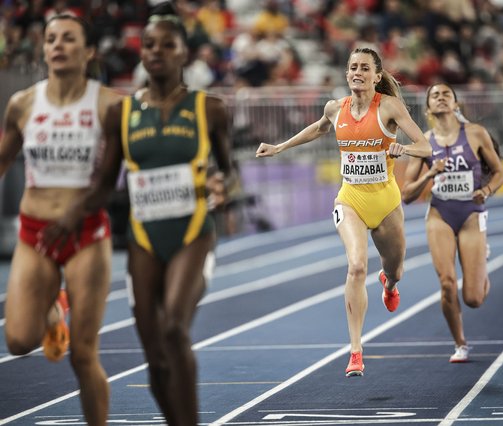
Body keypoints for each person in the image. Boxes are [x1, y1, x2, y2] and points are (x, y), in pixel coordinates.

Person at [43, 3, 235, 424]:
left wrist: (224, 188)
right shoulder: (122, 113)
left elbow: (231, 173)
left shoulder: (210, 109)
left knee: (174, 331)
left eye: (168, 45)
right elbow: (102, 185)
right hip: (144, 238)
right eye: (149, 45)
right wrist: (68, 219)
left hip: (193, 232)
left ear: (185, 52)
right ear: (141, 53)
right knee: (155, 364)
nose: (157, 52)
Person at [256, 47, 431, 377]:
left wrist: (402, 148)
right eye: (353, 67)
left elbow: (425, 146)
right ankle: (355, 350)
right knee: (355, 266)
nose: (357, 72)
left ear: (377, 76)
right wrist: (280, 147)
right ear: (347, 73)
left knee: (395, 270)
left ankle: (389, 285)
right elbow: (319, 128)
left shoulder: (389, 107)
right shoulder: (336, 108)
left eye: (365, 68)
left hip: (386, 202)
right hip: (350, 199)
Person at [0, 14, 122, 425]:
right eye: (51, 39)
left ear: (88, 51)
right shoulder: (23, 103)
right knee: (17, 340)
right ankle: (53, 309)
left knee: (84, 354)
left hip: (86, 233)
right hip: (35, 232)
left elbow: (119, 173)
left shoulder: (107, 104)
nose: (57, 46)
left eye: (68, 39)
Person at [401, 83, 503, 363]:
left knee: (473, 298)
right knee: (447, 283)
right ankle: (460, 343)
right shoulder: (424, 142)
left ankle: (481, 262)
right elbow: (406, 195)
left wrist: (486, 190)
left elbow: (499, 173)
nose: (441, 97)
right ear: (428, 109)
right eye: (435, 95)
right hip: (440, 214)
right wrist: (428, 175)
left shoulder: (475, 133)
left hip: (472, 213)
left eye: (447, 94)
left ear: (456, 104)